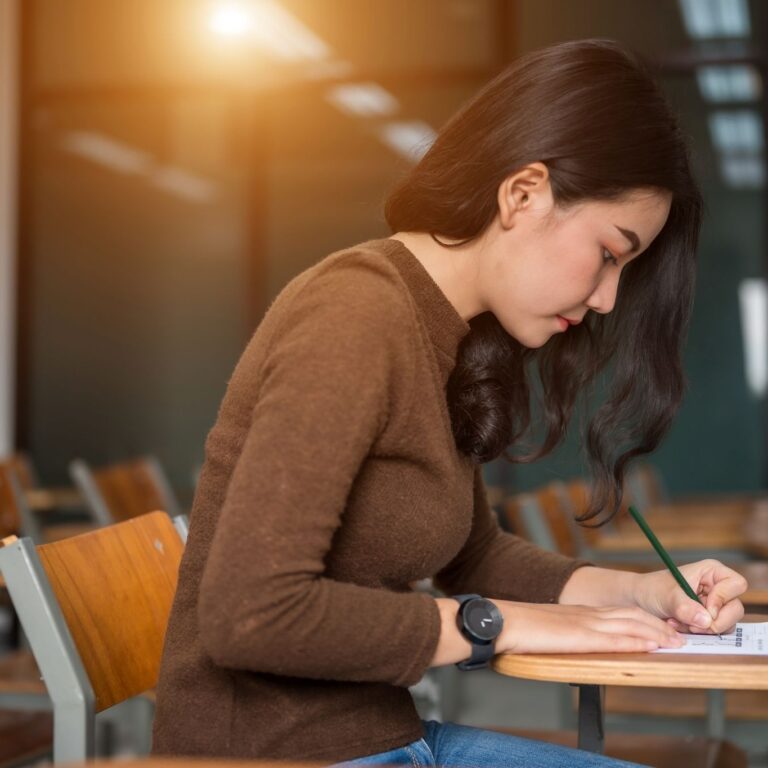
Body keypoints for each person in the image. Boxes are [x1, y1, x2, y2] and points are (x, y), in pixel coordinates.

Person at [152, 38, 747, 767]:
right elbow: (250, 616)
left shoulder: (445, 333)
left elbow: (475, 556)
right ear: (522, 193)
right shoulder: (356, 314)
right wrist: (496, 626)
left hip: (384, 740)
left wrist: (643, 593)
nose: (606, 299)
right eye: (609, 254)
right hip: (275, 755)